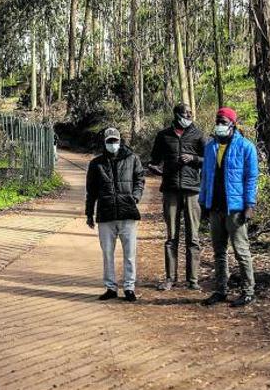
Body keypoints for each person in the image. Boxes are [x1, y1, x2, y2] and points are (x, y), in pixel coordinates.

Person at [198, 107, 259, 308]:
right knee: (219, 252)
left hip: (235, 209)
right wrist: (203, 203)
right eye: (218, 121)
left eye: (223, 121)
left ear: (232, 123)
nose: (219, 125)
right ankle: (221, 290)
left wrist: (249, 205)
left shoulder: (246, 147)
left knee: (241, 251)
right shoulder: (210, 147)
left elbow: (251, 178)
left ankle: (248, 291)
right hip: (215, 207)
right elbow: (205, 177)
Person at [149, 104, 208, 291]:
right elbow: (154, 160)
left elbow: (209, 161)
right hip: (170, 189)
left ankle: (193, 280)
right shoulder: (163, 136)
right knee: (171, 236)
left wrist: (194, 159)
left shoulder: (199, 135)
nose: (188, 116)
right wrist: (155, 169)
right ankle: (169, 278)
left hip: (192, 190)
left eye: (190, 114)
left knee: (193, 237)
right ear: (176, 115)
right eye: (185, 114)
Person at [85, 127, 146, 302]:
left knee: (130, 253)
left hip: (128, 212)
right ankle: (110, 287)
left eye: (115, 140)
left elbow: (140, 179)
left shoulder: (132, 158)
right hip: (106, 214)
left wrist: (135, 197)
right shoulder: (96, 164)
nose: (113, 144)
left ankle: (129, 287)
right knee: (107, 253)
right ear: (104, 142)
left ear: (120, 140)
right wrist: (89, 213)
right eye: (109, 141)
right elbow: (91, 191)